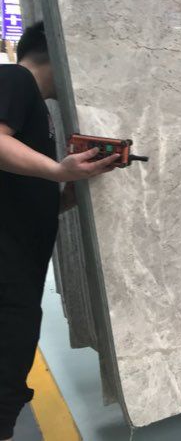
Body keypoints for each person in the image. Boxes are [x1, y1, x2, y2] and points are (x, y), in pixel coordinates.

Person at [0, 23, 121, 441]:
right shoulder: (15, 78)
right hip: (7, 264)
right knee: (6, 366)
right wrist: (56, 169)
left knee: (12, 361)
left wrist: (68, 189)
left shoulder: (37, 108)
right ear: (55, 52)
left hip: (20, 264)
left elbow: (29, 193)